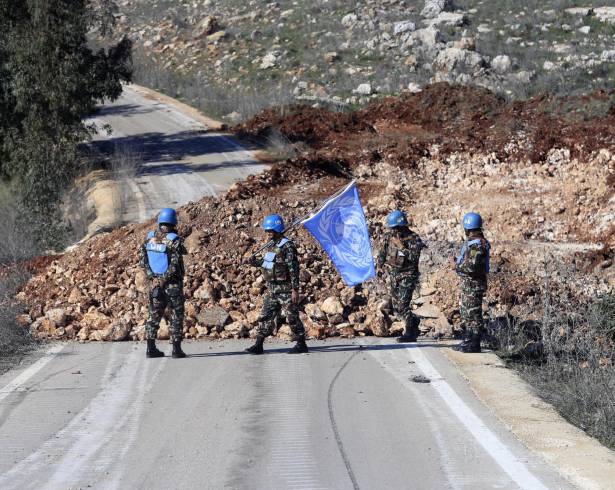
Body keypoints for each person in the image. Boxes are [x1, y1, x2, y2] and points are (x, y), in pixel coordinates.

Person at [245, 214, 308, 355]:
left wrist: (295, 289)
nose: (267, 233)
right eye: (267, 231)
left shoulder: (288, 246)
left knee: (292, 316)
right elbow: (268, 264)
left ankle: (301, 343)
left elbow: (293, 268)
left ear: (277, 229)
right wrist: (254, 262)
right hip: (273, 288)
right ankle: (258, 344)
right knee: (266, 315)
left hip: (286, 289)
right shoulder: (272, 245)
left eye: (270, 230)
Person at [139, 207, 187, 359]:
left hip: (155, 285)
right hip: (172, 285)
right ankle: (176, 350)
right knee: (176, 315)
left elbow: (143, 262)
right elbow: (174, 265)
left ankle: (150, 349)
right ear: (173, 222)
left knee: (154, 316)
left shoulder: (149, 238)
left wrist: (153, 279)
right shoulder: (174, 240)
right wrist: (163, 280)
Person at [377, 210, 425, 343]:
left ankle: (410, 332)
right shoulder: (389, 236)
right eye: (392, 228)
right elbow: (383, 251)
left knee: (403, 305)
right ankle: (414, 321)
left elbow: (414, 257)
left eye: (396, 228)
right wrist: (380, 265)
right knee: (397, 307)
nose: (394, 231)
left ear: (402, 226)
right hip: (394, 275)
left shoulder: (414, 238)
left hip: (408, 275)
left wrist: (401, 246)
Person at [453, 212, 490, 353]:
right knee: (467, 313)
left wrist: (455, 265)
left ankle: (474, 344)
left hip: (473, 285)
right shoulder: (475, 243)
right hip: (470, 284)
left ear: (467, 228)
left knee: (473, 314)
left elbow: (471, 266)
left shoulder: (477, 246)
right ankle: (468, 341)